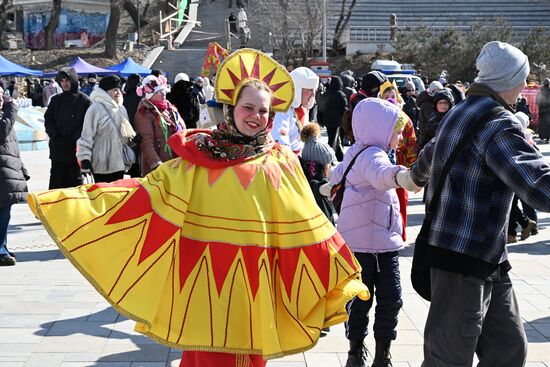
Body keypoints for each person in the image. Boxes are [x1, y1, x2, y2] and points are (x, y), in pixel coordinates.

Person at [28, 48, 368, 367]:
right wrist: (81, 202)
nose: (256, 116)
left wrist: (337, 267)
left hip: (257, 289)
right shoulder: (200, 157)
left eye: (263, 110)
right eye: (248, 107)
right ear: (233, 106)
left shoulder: (281, 161)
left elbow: (310, 222)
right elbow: (150, 192)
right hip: (206, 289)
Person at [409, 41, 550, 367]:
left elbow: (428, 154)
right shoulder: (499, 125)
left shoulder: (461, 109)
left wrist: (411, 178)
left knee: (508, 348)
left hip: (486, 256)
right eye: (522, 79)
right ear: (509, 80)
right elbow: (539, 187)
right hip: (462, 258)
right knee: (448, 358)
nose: (524, 87)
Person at [329, 98, 414, 367]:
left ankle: (355, 354)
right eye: (396, 131)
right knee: (390, 300)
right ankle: (381, 356)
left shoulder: (356, 151)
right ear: (379, 129)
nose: (399, 137)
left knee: (358, 300)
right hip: (377, 247)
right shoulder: (374, 155)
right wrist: (404, 176)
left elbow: (336, 177)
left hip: (358, 244)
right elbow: (382, 176)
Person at [77, 75, 136, 183]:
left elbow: (124, 135)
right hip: (101, 165)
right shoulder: (95, 109)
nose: (118, 93)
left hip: (118, 164)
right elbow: (86, 136)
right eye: (114, 90)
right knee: (102, 197)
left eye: (119, 89)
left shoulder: (121, 109)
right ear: (105, 92)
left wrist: (133, 139)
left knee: (117, 196)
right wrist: (84, 159)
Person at [44, 67, 91, 189]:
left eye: (67, 80)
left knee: (75, 189)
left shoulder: (84, 101)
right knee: (56, 188)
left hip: (75, 152)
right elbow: (48, 120)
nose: (65, 84)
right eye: (62, 81)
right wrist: (56, 137)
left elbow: (87, 125)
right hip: (57, 151)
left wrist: (73, 139)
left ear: (74, 80)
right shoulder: (55, 100)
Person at [0, 81, 29, 266]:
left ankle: (3, 247)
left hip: (6, 172)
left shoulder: (3, 115)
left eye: (1, 94)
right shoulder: (6, 116)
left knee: (4, 213)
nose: (1, 99)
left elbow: (12, 146)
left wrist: (21, 168)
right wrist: (11, 109)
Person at [135, 74, 186, 176]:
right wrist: (156, 164)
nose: (163, 94)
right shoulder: (144, 112)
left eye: (163, 90)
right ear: (150, 95)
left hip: (176, 161)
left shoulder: (170, 108)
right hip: (160, 166)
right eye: (158, 92)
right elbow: (146, 142)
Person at [272, 66, 319, 153]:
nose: (313, 94)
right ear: (297, 89)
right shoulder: (283, 110)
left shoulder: (303, 109)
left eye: (314, 90)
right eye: (309, 90)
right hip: (289, 158)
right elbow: (280, 139)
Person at [299, 122, 336, 225]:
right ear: (323, 166)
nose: (330, 167)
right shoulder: (321, 187)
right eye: (329, 163)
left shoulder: (304, 179)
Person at [318, 76, 348, 161]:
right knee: (333, 139)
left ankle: (340, 157)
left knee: (334, 138)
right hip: (338, 121)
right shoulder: (341, 94)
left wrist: (321, 119)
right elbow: (344, 108)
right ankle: (328, 158)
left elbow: (321, 107)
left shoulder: (327, 93)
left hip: (328, 120)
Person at [123, 73, 143, 178]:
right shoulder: (142, 98)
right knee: (139, 157)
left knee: (130, 154)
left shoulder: (123, 97)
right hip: (141, 129)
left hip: (127, 129)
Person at [536, 78, 550, 143]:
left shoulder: (540, 92)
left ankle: (542, 137)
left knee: (542, 124)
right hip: (548, 111)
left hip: (542, 111)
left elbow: (537, 102)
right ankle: (548, 138)